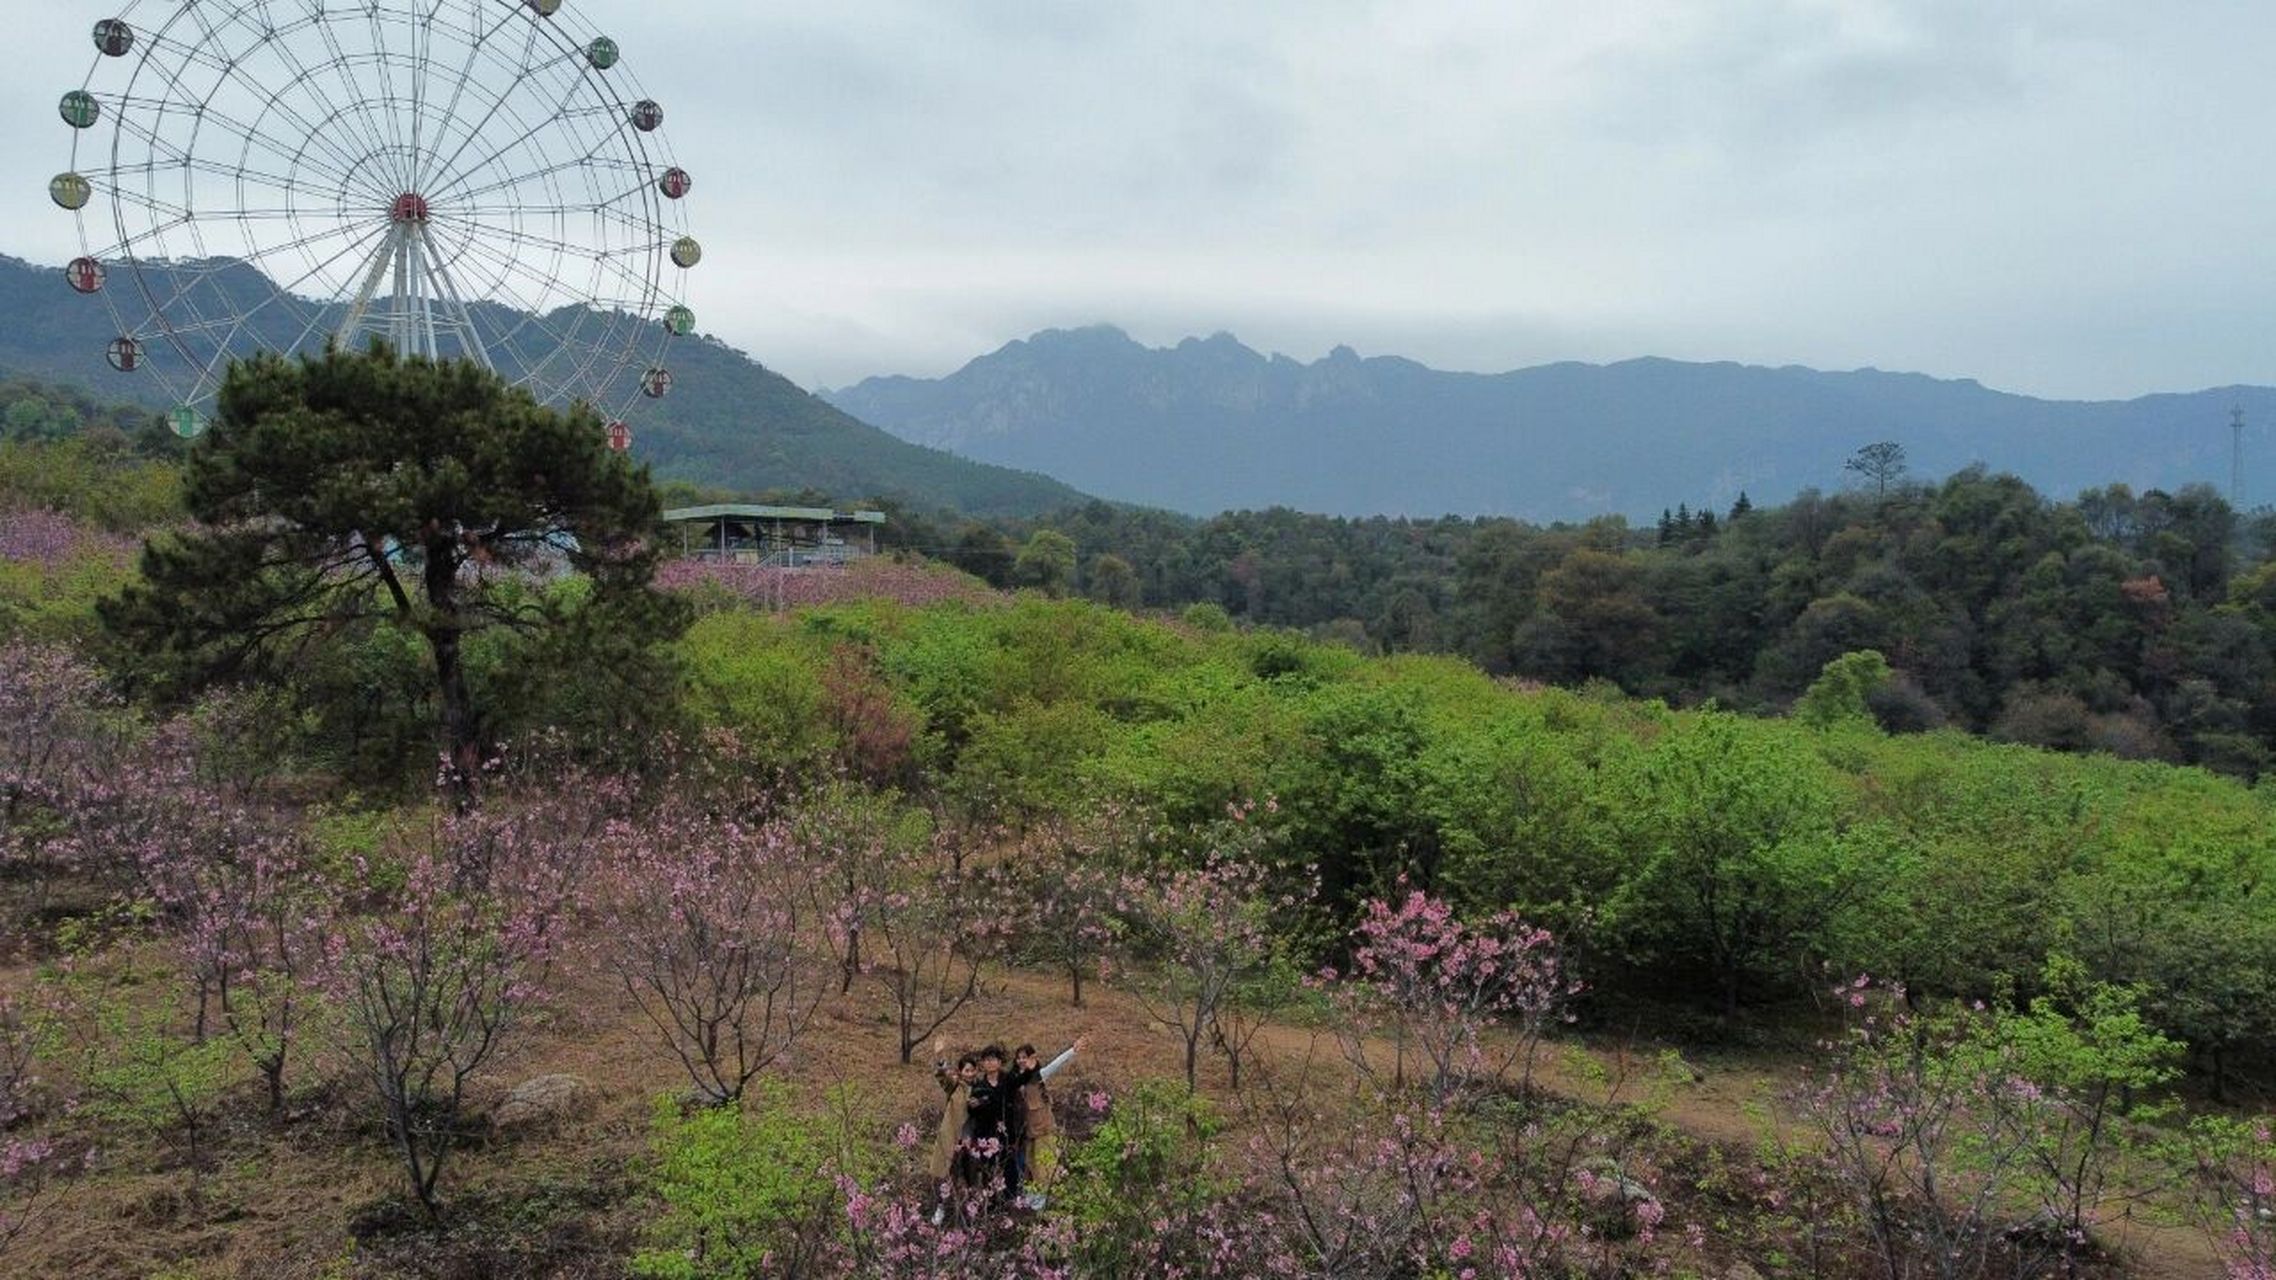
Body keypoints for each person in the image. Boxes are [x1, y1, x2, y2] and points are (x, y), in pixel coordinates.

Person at [1011, 1037, 1082, 1209]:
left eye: (1024, 1057)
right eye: (1019, 1057)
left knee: (1045, 1163)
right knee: (1029, 1163)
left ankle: (1043, 1197)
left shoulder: (1039, 1076)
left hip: (1043, 1127)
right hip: (1026, 1130)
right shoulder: (1014, 1080)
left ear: (1032, 1058)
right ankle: (1032, 1195)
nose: (1021, 1060)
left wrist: (1072, 1050)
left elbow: (1056, 1064)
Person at [963, 1044, 1021, 1202]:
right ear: (982, 1064)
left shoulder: (1009, 1081)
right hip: (985, 1134)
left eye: (993, 1059)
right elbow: (973, 1113)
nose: (989, 1063)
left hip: (1007, 1134)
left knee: (1009, 1169)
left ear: (999, 1062)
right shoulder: (979, 1087)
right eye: (986, 1060)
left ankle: (1011, 1200)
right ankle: (991, 1202)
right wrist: (974, 1106)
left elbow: (1016, 1107)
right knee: (988, 1170)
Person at [928, 1050, 980, 1224]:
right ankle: (940, 1208)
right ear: (960, 1072)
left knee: (971, 1176)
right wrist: (941, 1057)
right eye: (967, 1070)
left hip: (972, 1142)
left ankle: (971, 1211)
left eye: (973, 1070)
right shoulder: (955, 1087)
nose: (970, 1074)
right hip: (952, 1139)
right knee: (947, 1175)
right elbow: (943, 1078)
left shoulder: (981, 1088)